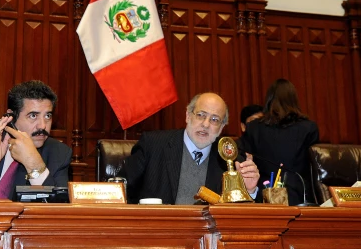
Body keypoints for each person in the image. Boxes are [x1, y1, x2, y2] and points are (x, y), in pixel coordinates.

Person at [121, 92, 260, 204]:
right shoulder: (153, 145)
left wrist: (250, 190)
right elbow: (121, 190)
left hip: (209, 237)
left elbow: (239, 216)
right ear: (188, 116)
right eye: (201, 115)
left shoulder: (233, 160)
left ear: (222, 127)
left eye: (214, 120)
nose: (205, 124)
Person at [238, 78, 319, 206]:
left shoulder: (254, 127)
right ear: (294, 100)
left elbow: (243, 158)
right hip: (299, 197)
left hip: (262, 197)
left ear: (268, 100)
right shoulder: (309, 128)